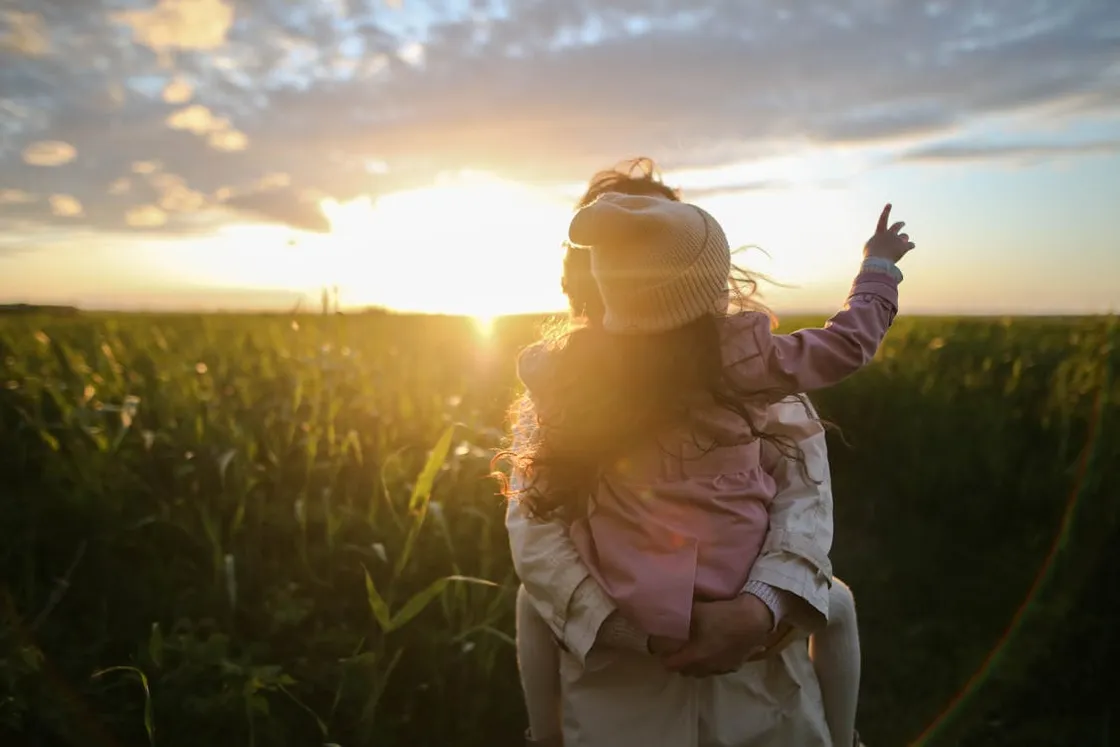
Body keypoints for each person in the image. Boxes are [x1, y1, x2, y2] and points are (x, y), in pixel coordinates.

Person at [502, 160, 912, 746]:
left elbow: (804, 495)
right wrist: (877, 270)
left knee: (529, 607)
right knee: (837, 603)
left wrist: (757, 609)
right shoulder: (750, 364)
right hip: (622, 685)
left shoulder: (567, 378)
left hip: (754, 679)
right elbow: (536, 531)